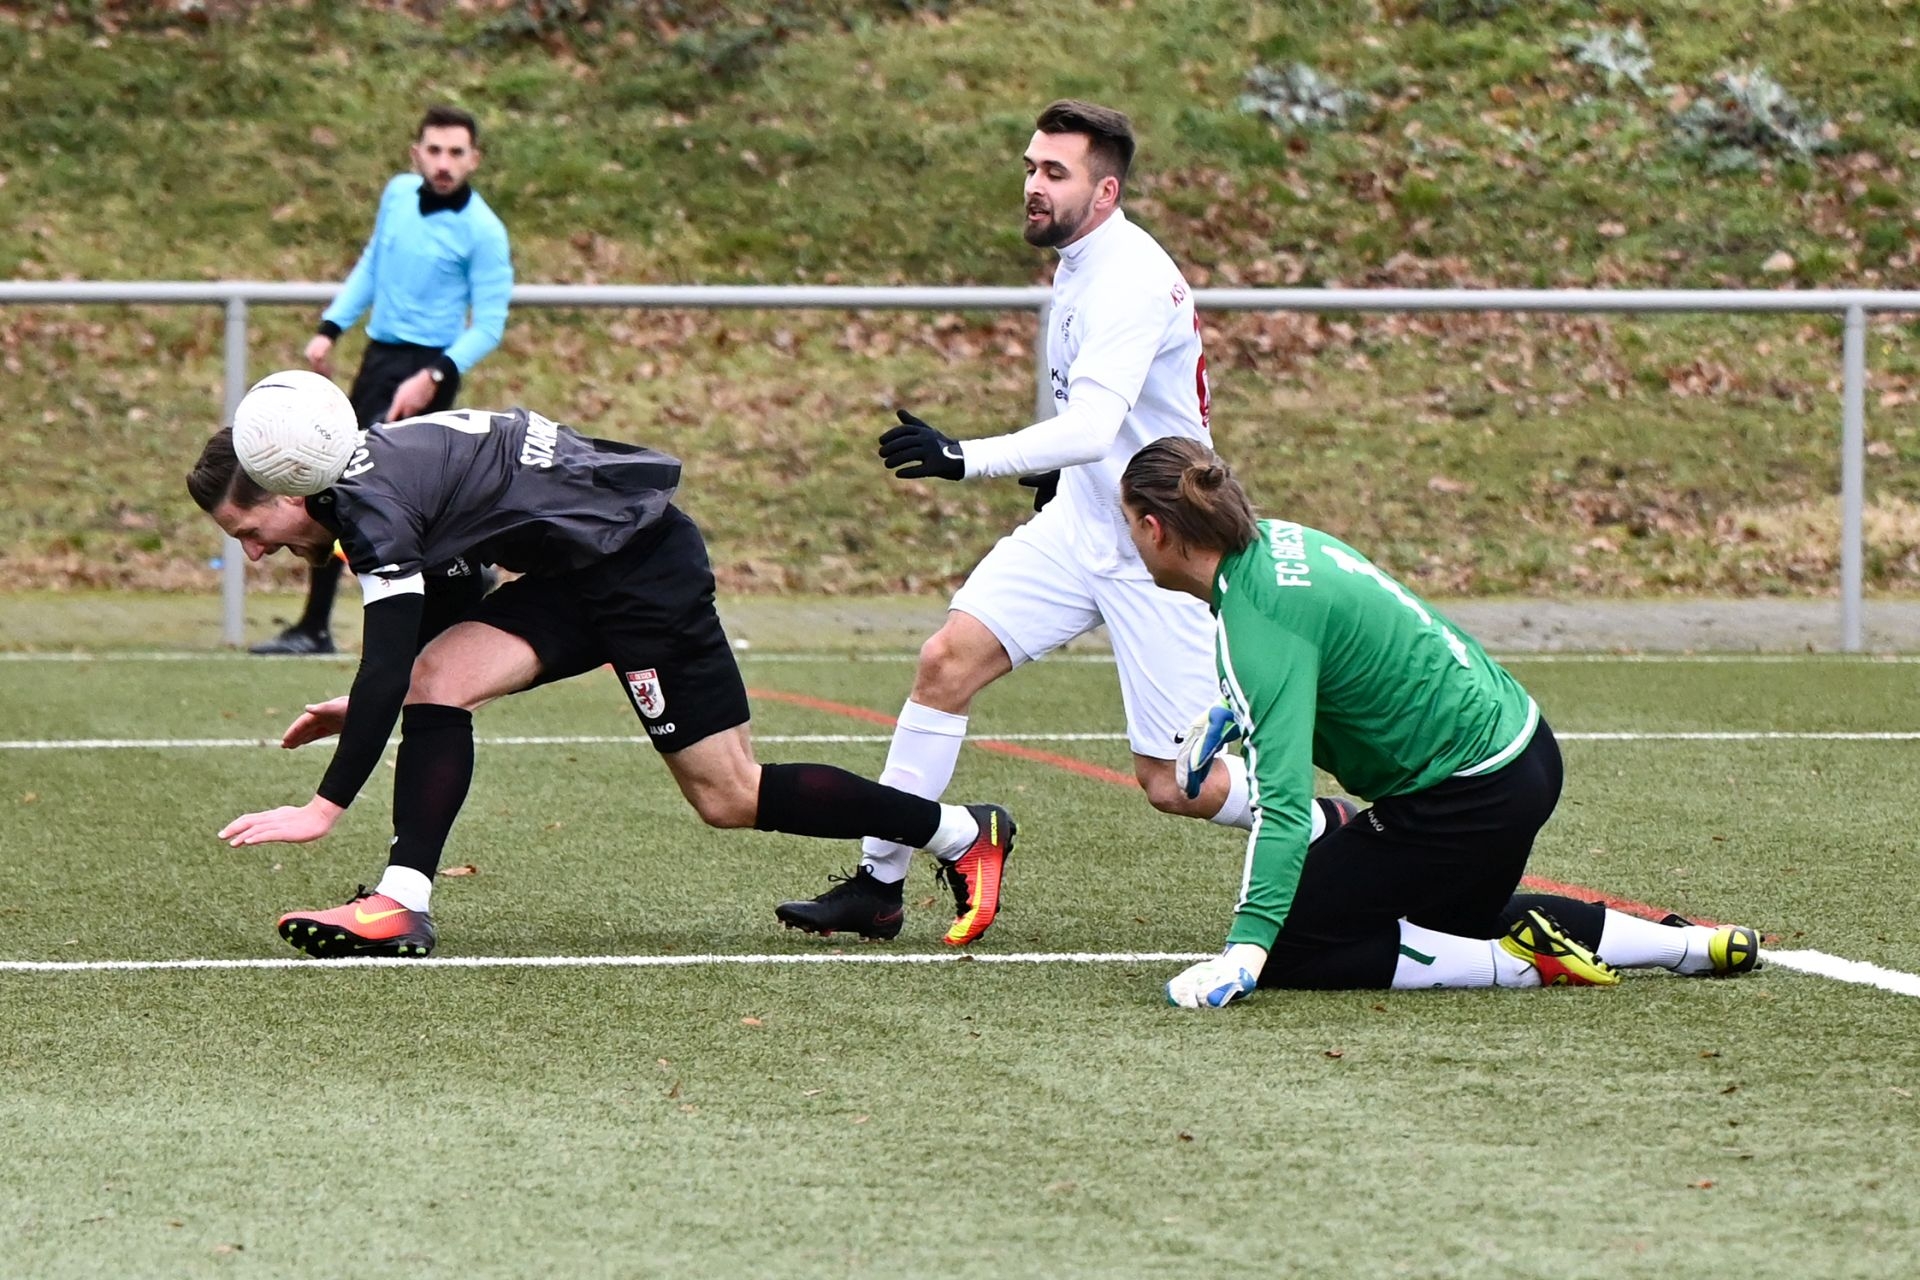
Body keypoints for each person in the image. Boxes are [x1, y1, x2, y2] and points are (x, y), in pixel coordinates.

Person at [188, 371, 1013, 958]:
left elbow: (394, 640)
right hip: (576, 572)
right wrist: (383, 688)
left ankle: (959, 832)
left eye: (249, 534)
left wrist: (325, 804)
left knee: (729, 796)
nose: (256, 555)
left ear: (288, 489)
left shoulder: (365, 507)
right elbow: (451, 591)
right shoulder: (356, 473)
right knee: (440, 682)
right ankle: (402, 904)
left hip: (643, 569)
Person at [777, 99, 1254, 947]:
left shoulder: (1131, 277)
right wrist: (1061, 474)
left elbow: (1095, 427)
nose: (1033, 186)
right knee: (944, 664)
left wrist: (964, 456)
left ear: (1105, 192)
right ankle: (879, 887)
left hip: (1163, 545)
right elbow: (1109, 424)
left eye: (1054, 173)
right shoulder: (1079, 260)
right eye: (1031, 167)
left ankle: (1351, 838)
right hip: (1084, 522)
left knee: (1178, 785)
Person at [1118, 437, 1763, 1007]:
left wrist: (1247, 949)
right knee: (1456, 917)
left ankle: (1514, 967)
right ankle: (1693, 947)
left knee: (1294, 939)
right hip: (1525, 751)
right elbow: (1349, 651)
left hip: (1466, 798)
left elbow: (1282, 806)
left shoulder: (1255, 617)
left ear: (1155, 529)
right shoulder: (1279, 542)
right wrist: (1233, 711)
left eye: (1128, 526)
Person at [252, 104, 514, 656]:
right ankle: (315, 626)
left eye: (456, 153)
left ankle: (454, 598)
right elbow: (373, 265)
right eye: (435, 150)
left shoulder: (485, 232)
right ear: (416, 153)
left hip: (429, 372)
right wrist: (330, 328)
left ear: (475, 159)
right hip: (380, 362)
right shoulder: (398, 194)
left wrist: (434, 375)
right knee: (332, 483)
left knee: (401, 503)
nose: (444, 163)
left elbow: (489, 325)